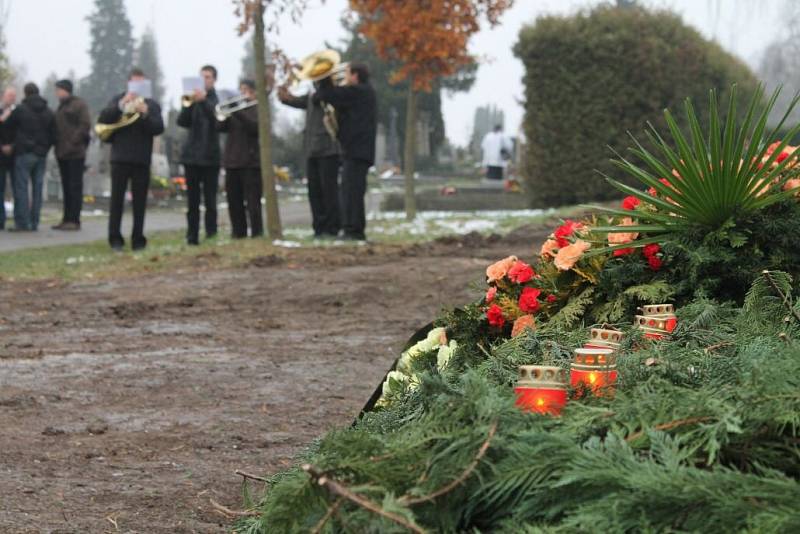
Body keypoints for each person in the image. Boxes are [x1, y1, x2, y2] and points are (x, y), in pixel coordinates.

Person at [97, 68, 164, 251]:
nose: (138, 88)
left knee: (140, 203)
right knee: (116, 201)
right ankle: (115, 239)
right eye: (135, 83)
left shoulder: (151, 105)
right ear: (128, 83)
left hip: (141, 159)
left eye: (141, 83)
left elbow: (158, 128)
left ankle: (138, 239)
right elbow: (104, 119)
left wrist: (145, 113)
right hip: (120, 157)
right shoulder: (118, 100)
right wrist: (121, 105)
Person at [315, 63, 376, 241]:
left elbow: (330, 94)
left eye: (347, 74)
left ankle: (354, 230)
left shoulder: (360, 91)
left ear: (355, 76)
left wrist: (325, 76)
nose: (344, 77)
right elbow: (325, 97)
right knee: (349, 190)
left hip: (357, 150)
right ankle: (351, 228)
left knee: (352, 192)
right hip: (354, 149)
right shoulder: (359, 93)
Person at [278, 79, 340, 239]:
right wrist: (285, 94)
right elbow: (295, 101)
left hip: (328, 148)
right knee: (314, 192)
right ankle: (319, 228)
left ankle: (332, 228)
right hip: (311, 149)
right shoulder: (312, 94)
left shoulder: (332, 92)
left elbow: (320, 98)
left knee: (329, 191)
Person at [177, 65, 221, 245]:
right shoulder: (192, 99)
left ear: (214, 80)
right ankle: (192, 236)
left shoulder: (216, 99)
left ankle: (211, 234)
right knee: (192, 202)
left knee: (210, 201)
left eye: (208, 77)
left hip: (211, 157)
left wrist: (203, 101)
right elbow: (182, 122)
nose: (205, 80)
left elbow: (218, 120)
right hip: (192, 157)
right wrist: (189, 105)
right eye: (202, 77)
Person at [5, 83, 55, 232]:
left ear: (25, 93)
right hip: (41, 154)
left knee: (21, 188)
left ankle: (22, 222)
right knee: (38, 188)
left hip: (24, 152)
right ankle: (35, 222)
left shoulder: (21, 110)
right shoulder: (48, 112)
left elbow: (7, 126)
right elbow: (53, 133)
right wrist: (44, 148)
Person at [217, 79, 262, 239]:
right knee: (234, 202)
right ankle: (238, 232)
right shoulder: (235, 110)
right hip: (232, 162)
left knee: (252, 202)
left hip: (251, 162)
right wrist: (224, 113)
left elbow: (254, 127)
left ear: (255, 92)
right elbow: (220, 127)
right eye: (240, 89)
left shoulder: (257, 108)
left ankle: (257, 232)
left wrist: (236, 111)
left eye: (246, 90)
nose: (243, 93)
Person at [52, 79, 91, 231]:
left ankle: (74, 219)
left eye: (59, 90)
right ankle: (66, 218)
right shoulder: (61, 107)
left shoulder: (79, 105)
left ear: (66, 90)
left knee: (74, 187)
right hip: (62, 152)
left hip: (75, 152)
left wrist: (73, 142)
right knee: (66, 187)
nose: (57, 93)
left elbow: (84, 125)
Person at [0, 87, 17, 230]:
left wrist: (13, 146)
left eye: (13, 96)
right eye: (9, 95)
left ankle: (19, 218)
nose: (12, 98)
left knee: (17, 188)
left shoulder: (17, 112)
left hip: (14, 154)